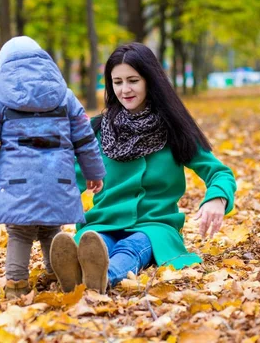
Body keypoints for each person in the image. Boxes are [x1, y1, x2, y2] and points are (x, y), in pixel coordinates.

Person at [50, 43, 237, 294]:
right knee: (96, 243)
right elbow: (70, 180)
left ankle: (102, 278)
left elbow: (219, 172)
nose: (125, 89)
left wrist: (217, 199)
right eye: (117, 82)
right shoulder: (97, 131)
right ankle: (77, 272)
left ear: (150, 80)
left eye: (133, 80)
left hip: (155, 227)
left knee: (133, 246)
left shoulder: (175, 130)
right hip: (103, 223)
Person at [0, 36, 106, 299]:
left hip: (18, 182)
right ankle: (57, 274)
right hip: (57, 179)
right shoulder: (64, 95)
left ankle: (16, 284)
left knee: (20, 232)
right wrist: (94, 172)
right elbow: (84, 137)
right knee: (51, 229)